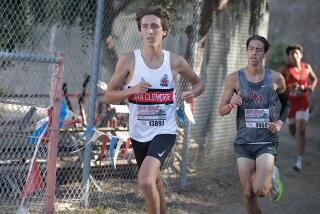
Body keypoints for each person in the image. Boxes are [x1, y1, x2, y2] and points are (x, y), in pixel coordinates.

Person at [104, 6, 204, 214]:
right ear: (140, 31)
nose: (150, 31)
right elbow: (109, 95)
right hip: (139, 133)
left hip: (164, 131)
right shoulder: (128, 60)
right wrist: (131, 90)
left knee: (146, 181)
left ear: (164, 31)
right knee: (155, 183)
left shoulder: (174, 61)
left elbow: (198, 83)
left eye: (155, 27)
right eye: (145, 26)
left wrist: (192, 93)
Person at [219, 35, 289, 213]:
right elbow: (221, 110)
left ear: (264, 54)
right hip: (244, 142)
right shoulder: (234, 78)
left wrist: (280, 122)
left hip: (266, 140)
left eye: (258, 50)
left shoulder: (276, 78)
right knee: (248, 193)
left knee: (260, 191)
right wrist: (231, 104)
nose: (254, 53)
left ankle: (272, 175)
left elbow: (286, 104)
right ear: (246, 51)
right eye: (251, 48)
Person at [279, 44, 318, 172]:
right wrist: (288, 88)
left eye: (296, 53)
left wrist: (312, 87)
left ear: (301, 54)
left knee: (301, 130)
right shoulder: (286, 69)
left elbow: (314, 79)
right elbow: (278, 83)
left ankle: (299, 161)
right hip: (290, 105)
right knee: (292, 129)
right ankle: (292, 129)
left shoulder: (307, 68)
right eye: (291, 54)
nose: (294, 55)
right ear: (289, 56)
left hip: (303, 103)